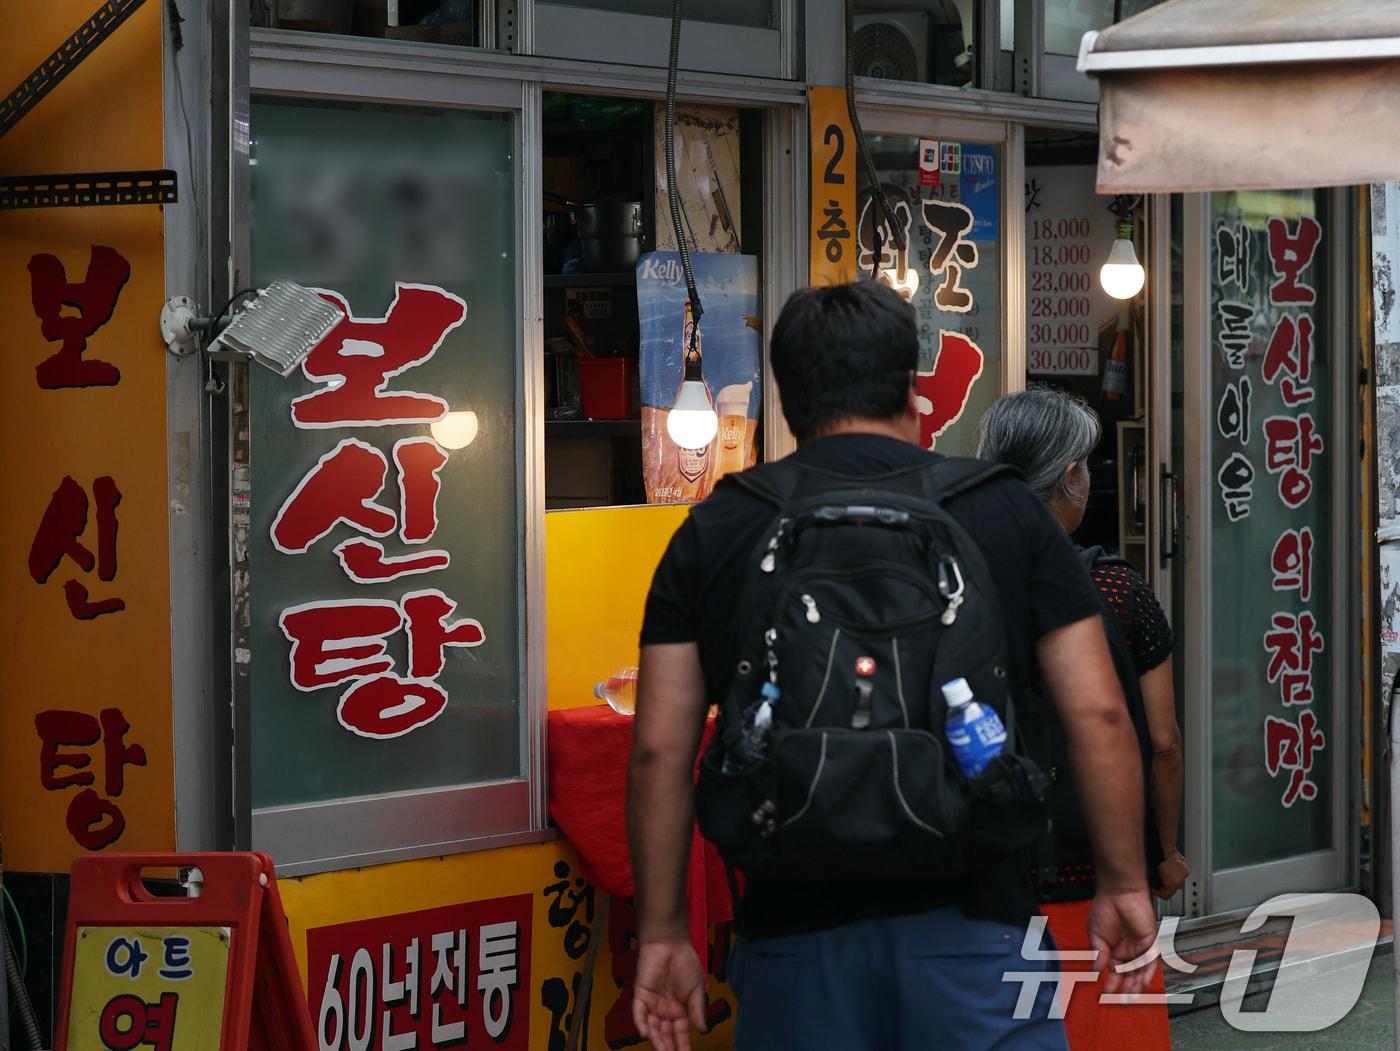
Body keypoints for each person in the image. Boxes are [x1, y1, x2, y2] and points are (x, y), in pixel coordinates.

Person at [627, 281, 1159, 1051]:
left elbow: (659, 749)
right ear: (915, 392)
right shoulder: (1004, 510)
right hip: (980, 928)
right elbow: (1099, 712)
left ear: (786, 400)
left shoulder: (720, 526)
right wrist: (1123, 881)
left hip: (792, 936)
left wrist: (664, 930)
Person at [979, 386, 1187, 1051]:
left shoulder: (956, 574)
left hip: (989, 881)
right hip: (1103, 881)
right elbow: (1161, 743)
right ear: (1071, 477)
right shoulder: (1117, 590)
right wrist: (1164, 852)